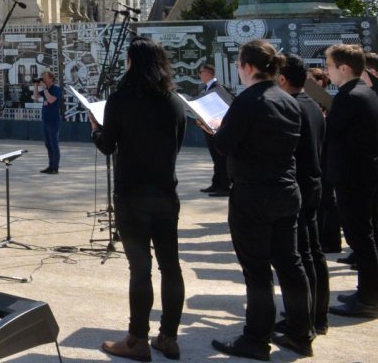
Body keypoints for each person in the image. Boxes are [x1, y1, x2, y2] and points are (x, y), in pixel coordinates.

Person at [211, 39, 313, 359]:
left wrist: (215, 128)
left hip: (253, 195)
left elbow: (225, 145)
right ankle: (300, 333)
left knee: (257, 271)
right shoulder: (289, 100)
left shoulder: (248, 100)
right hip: (285, 190)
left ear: (249, 67)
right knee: (290, 265)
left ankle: (256, 339)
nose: (239, 70)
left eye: (240, 64)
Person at [90, 38, 187, 361]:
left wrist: (95, 128)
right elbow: (178, 144)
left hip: (131, 196)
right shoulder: (173, 101)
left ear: (131, 62)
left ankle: (137, 339)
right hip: (165, 195)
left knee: (140, 268)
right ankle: (169, 337)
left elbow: (107, 145)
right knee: (170, 266)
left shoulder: (120, 100)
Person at [323, 43, 378, 318]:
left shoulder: (349, 96)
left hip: (352, 176)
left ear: (344, 68)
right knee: (362, 236)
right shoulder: (365, 92)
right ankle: (366, 291)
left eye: (329, 66)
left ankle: (369, 298)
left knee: (360, 238)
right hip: (361, 173)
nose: (327, 71)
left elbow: (329, 132)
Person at [276, 54, 329, 335]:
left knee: (299, 256)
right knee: (313, 253)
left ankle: (305, 319)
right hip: (313, 184)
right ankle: (318, 316)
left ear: (282, 79)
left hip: (298, 187)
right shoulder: (311, 105)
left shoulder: (292, 107)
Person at [197, 63, 232, 197]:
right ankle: (216, 183)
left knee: (220, 158)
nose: (199, 75)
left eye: (201, 72)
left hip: (218, 129)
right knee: (216, 158)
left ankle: (224, 186)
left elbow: (227, 107)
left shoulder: (218, 88)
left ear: (209, 73)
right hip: (209, 128)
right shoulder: (206, 88)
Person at [33, 70, 62, 174]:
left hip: (53, 121)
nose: (43, 80)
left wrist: (44, 88)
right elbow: (35, 96)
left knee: (54, 144)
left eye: (45, 78)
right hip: (45, 120)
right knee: (48, 144)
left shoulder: (56, 89)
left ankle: (55, 167)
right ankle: (50, 166)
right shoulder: (46, 89)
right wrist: (36, 85)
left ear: (51, 79)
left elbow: (51, 100)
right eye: (42, 78)